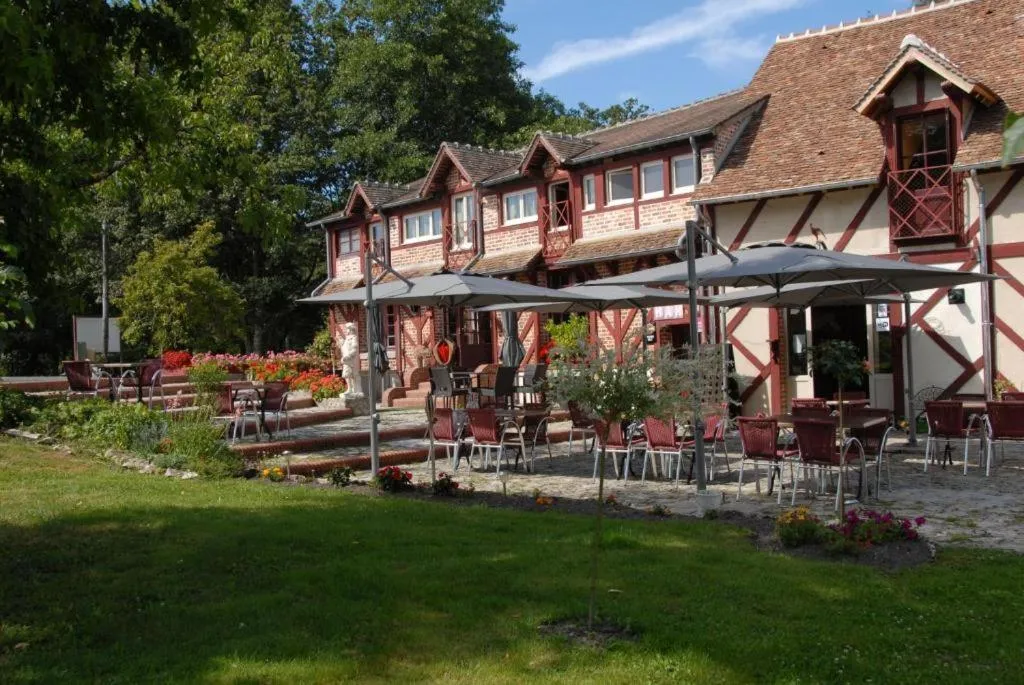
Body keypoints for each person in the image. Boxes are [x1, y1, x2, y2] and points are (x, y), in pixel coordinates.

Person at [340, 322, 363, 397]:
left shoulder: (353, 338)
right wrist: (341, 345)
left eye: (347, 329)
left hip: (351, 360)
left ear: (350, 330)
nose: (346, 330)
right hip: (346, 360)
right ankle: (350, 389)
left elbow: (354, 349)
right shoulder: (347, 339)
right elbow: (344, 350)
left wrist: (348, 356)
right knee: (347, 374)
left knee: (351, 374)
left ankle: (352, 389)